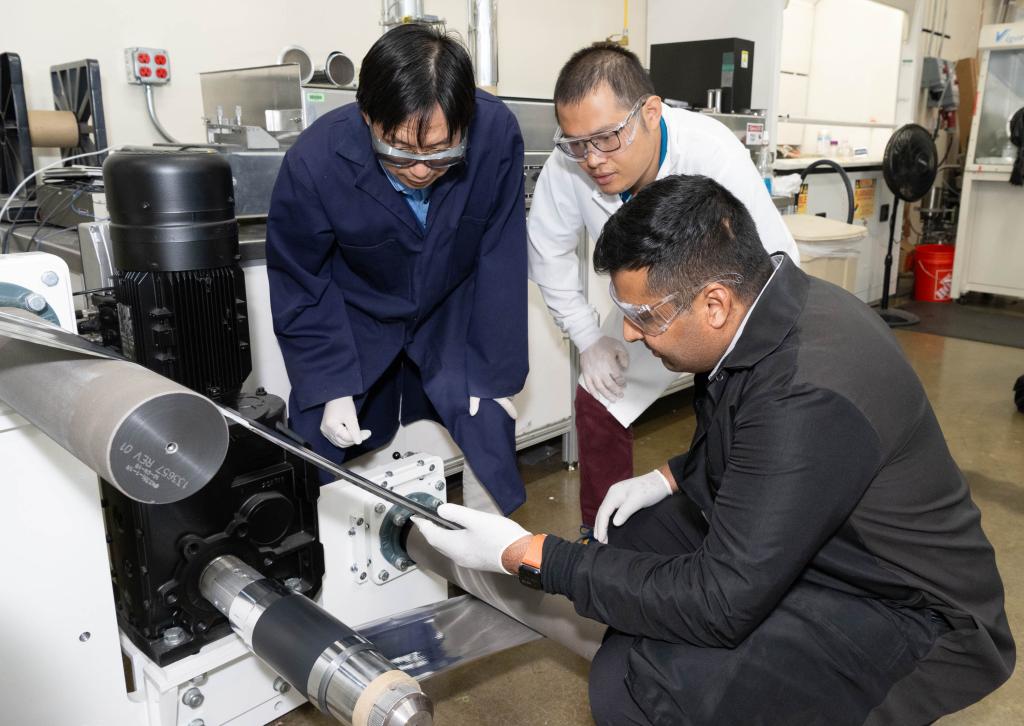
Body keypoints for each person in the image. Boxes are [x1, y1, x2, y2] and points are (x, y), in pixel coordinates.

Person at [414, 174, 1014, 725]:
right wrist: (673, 476)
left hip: (908, 610)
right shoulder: (763, 312)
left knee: (641, 684)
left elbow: (721, 601)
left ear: (714, 304)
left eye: (641, 316)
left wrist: (530, 554)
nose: (626, 333)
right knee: (630, 535)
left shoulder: (807, 393)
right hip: (833, 544)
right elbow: (752, 444)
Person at [527, 42, 799, 538]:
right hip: (645, 309)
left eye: (607, 138)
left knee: (734, 411)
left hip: (726, 311)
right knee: (598, 401)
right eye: (576, 143)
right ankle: (604, 538)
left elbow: (776, 260)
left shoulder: (710, 150)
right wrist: (589, 339)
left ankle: (731, 531)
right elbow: (548, 249)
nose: (592, 159)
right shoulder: (570, 166)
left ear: (650, 112)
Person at [266, 24, 527, 514]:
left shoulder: (496, 134)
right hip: (357, 314)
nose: (423, 168)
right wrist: (330, 384)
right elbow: (301, 279)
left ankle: (495, 573)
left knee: (488, 431)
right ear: (367, 117)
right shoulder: (315, 160)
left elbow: (501, 253)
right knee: (312, 448)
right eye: (400, 151)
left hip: (454, 307)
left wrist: (496, 375)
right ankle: (321, 580)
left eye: (442, 152)